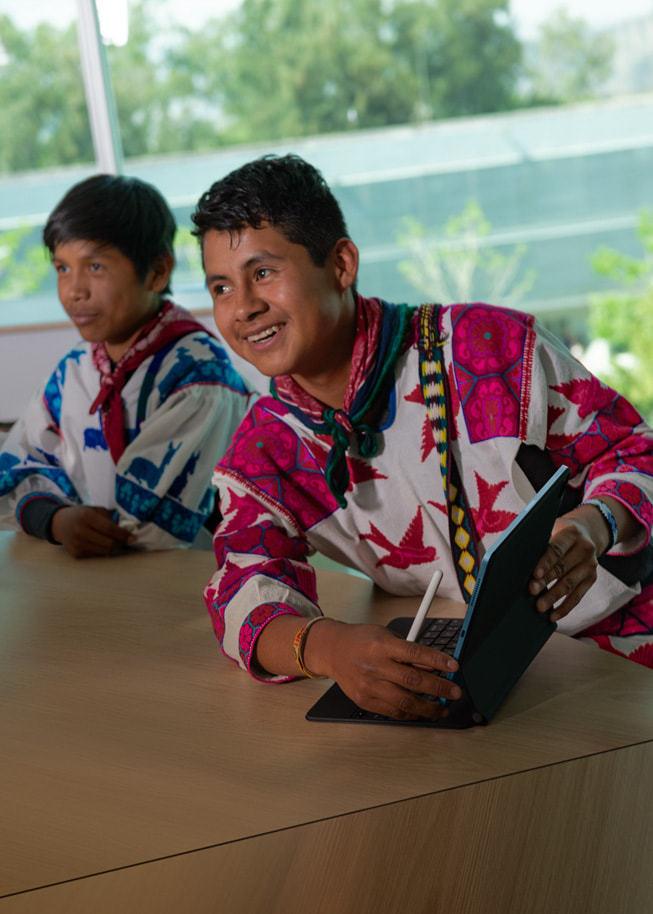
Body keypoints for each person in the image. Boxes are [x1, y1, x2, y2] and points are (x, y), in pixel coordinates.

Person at [191, 154, 653, 720]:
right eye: (221, 286)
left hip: (625, 645)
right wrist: (328, 648)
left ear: (341, 264)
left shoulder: (488, 348)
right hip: (500, 680)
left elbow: (635, 448)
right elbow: (241, 587)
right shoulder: (267, 450)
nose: (243, 307)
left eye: (263, 273)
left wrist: (594, 524)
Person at [0, 174, 255, 557]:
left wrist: (64, 521)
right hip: (92, 579)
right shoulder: (75, 370)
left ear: (157, 271)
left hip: (191, 581)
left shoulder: (200, 378)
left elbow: (148, 530)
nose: (74, 290)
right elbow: (18, 467)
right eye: (62, 268)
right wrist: (54, 519)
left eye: (95, 267)